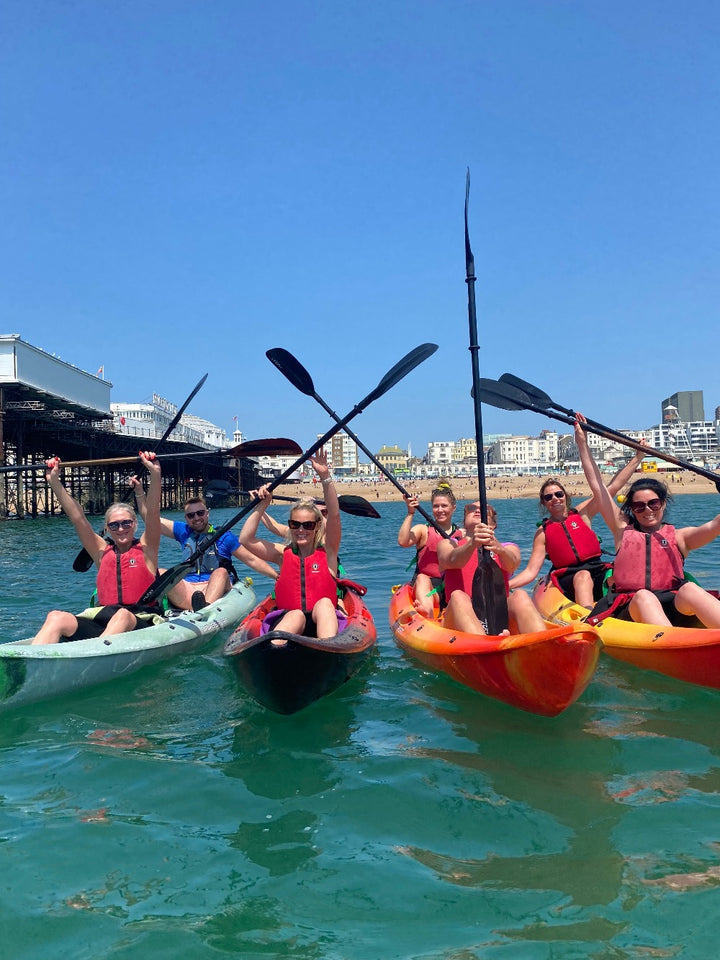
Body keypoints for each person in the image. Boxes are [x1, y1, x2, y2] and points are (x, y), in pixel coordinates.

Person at [577, 415, 720, 628]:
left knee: (689, 589)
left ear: (662, 504)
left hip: (672, 607)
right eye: (639, 506)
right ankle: (672, 652)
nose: (647, 510)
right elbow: (598, 487)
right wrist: (582, 442)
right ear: (632, 509)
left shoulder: (681, 537)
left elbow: (716, 525)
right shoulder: (621, 529)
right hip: (631, 608)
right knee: (645, 597)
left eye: (653, 503)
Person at [32, 452, 163, 644]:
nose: (120, 529)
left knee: (123, 615)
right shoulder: (101, 552)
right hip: (104, 620)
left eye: (126, 523)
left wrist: (155, 474)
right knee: (55, 617)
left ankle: (91, 660)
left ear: (135, 524)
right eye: (114, 525)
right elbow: (78, 518)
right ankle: (25, 667)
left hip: (140, 620)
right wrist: (54, 482)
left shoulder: (147, 548)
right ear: (107, 529)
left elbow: (152, 512)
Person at [509, 425, 646, 607]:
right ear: (544, 502)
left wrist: (638, 457)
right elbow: (531, 571)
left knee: (623, 571)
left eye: (559, 494)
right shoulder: (543, 533)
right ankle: (588, 619)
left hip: (597, 569)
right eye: (549, 497)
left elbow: (612, 488)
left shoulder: (582, 514)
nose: (555, 499)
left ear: (566, 496)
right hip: (568, 577)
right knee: (583, 576)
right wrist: (506, 585)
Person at [239, 452, 342, 638]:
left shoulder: (328, 551)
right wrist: (262, 505)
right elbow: (246, 539)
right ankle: (276, 650)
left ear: (317, 526)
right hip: (290, 620)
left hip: (323, 621)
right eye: (295, 525)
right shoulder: (282, 554)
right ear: (290, 525)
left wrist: (325, 476)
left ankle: (328, 648)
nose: (301, 530)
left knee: (325, 603)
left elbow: (334, 515)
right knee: (296, 616)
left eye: (307, 525)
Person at [131, 484, 277, 611]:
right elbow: (149, 519)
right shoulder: (183, 531)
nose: (196, 518)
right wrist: (139, 491)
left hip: (215, 587)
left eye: (200, 513)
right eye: (191, 515)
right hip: (189, 588)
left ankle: (205, 608)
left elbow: (251, 560)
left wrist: (276, 576)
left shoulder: (224, 536)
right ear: (186, 518)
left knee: (220, 572)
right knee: (162, 572)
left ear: (207, 513)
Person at [437, 500, 546, 636]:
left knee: (520, 595)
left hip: (496, 614)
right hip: (458, 614)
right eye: (471, 508)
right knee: (458, 596)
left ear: (493, 525)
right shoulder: (448, 544)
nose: (477, 511)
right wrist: (472, 544)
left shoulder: (508, 548)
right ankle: (484, 645)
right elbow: (451, 560)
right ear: (464, 522)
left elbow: (512, 564)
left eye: (484, 509)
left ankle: (541, 642)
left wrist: (499, 549)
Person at [397, 482, 460, 616]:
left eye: (444, 506)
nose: (440, 510)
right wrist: (410, 513)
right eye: (436, 506)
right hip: (427, 587)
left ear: (453, 508)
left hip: (451, 588)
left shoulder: (462, 534)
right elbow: (403, 541)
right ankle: (427, 613)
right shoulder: (423, 530)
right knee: (422, 578)